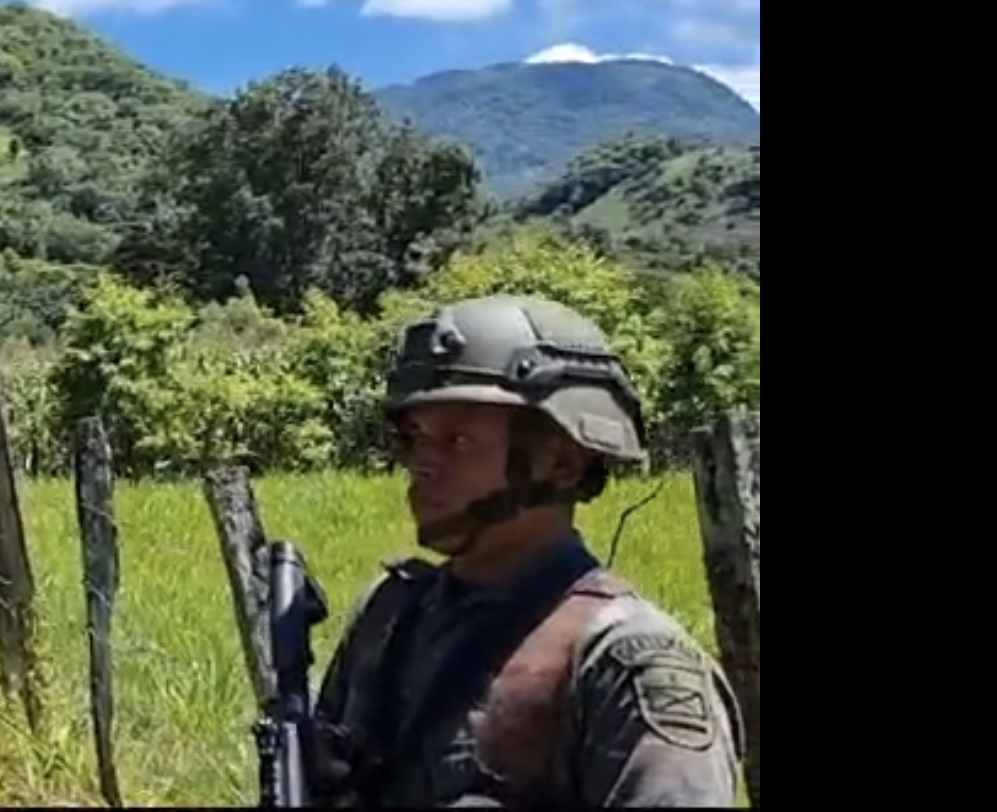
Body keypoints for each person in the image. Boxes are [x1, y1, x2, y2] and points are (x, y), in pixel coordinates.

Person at [311, 294, 743, 808]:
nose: (422, 462)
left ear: (560, 463)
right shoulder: (390, 617)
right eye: (414, 437)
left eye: (458, 440)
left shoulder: (628, 664)